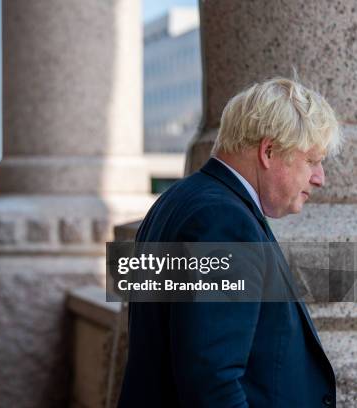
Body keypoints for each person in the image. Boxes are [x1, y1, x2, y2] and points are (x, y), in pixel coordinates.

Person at [117, 78, 343, 407]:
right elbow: (212, 382)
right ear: (269, 151)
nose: (320, 177)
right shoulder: (223, 222)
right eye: (311, 160)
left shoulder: (176, 202)